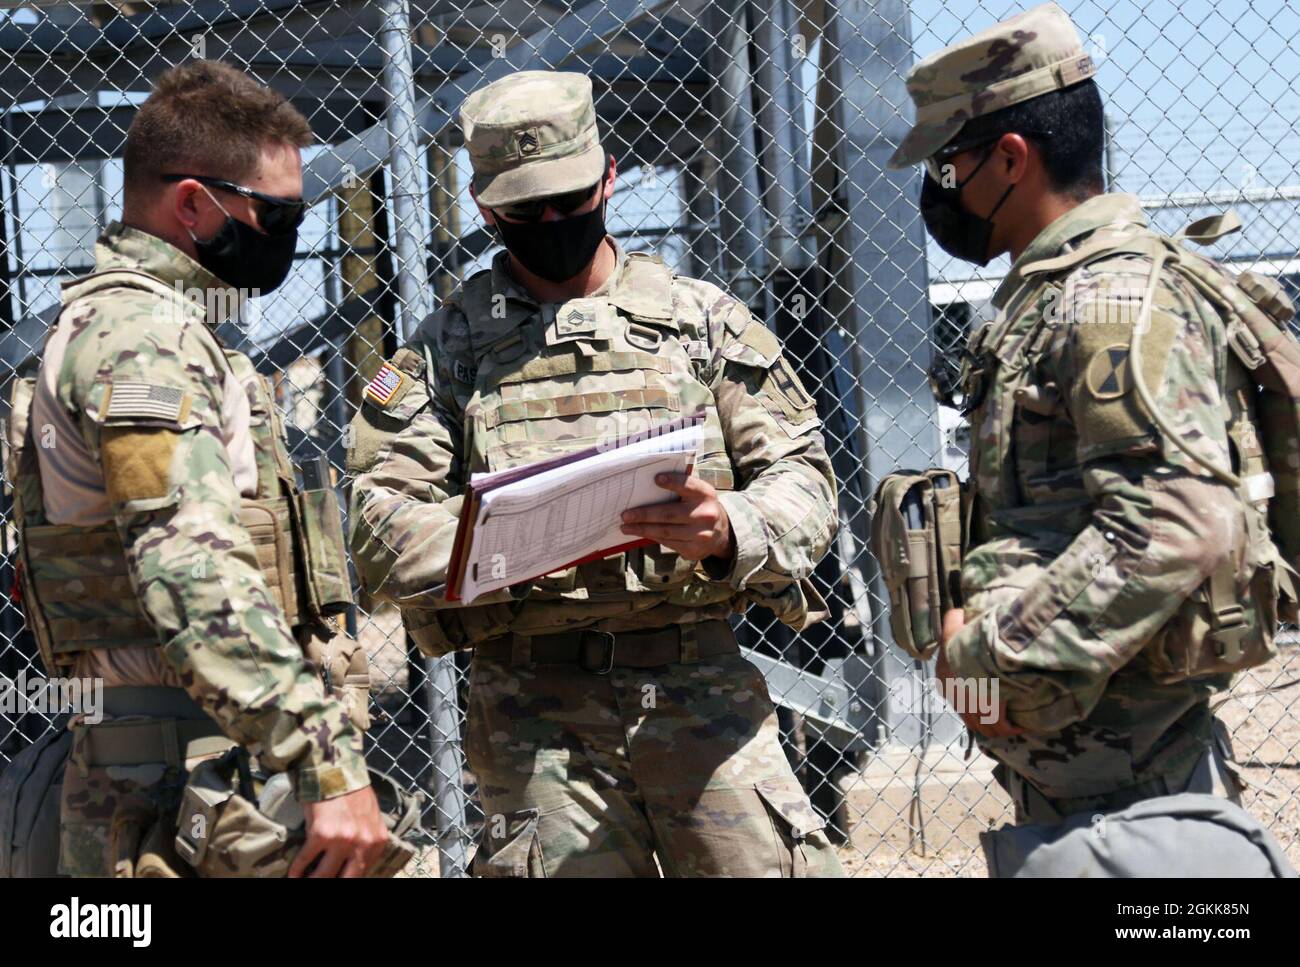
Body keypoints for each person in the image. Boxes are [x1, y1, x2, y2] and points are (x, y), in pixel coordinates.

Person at [348, 69, 843, 877]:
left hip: (699, 692)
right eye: (524, 211)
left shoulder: (702, 323)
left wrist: (730, 527)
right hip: (534, 713)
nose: (549, 222)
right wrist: (503, 545)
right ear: (483, 209)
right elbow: (375, 517)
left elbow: (804, 479)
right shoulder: (444, 352)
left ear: (609, 178)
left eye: (569, 202)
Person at [888, 3, 1284, 829]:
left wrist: (990, 660)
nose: (941, 191)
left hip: (1136, 781)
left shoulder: (1108, 300)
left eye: (950, 165)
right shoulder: (1055, 295)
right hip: (1092, 770)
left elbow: (1173, 521)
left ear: (1009, 158)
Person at [7, 59, 387, 877]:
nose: (287, 231)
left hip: (177, 763)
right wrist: (324, 760)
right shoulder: (144, 337)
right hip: (186, 778)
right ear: (193, 204)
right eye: (274, 213)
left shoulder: (140, 325)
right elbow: (190, 569)